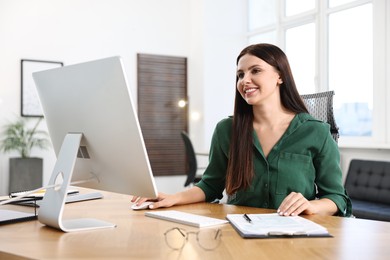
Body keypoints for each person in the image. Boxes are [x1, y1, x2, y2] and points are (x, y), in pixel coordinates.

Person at [132, 43, 352, 217]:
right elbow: (210, 185)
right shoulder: (227, 129)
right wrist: (172, 198)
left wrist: (312, 206)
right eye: (240, 75)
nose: (245, 80)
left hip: (295, 234)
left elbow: (336, 198)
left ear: (280, 76)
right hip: (239, 233)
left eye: (255, 70)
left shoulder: (317, 132)